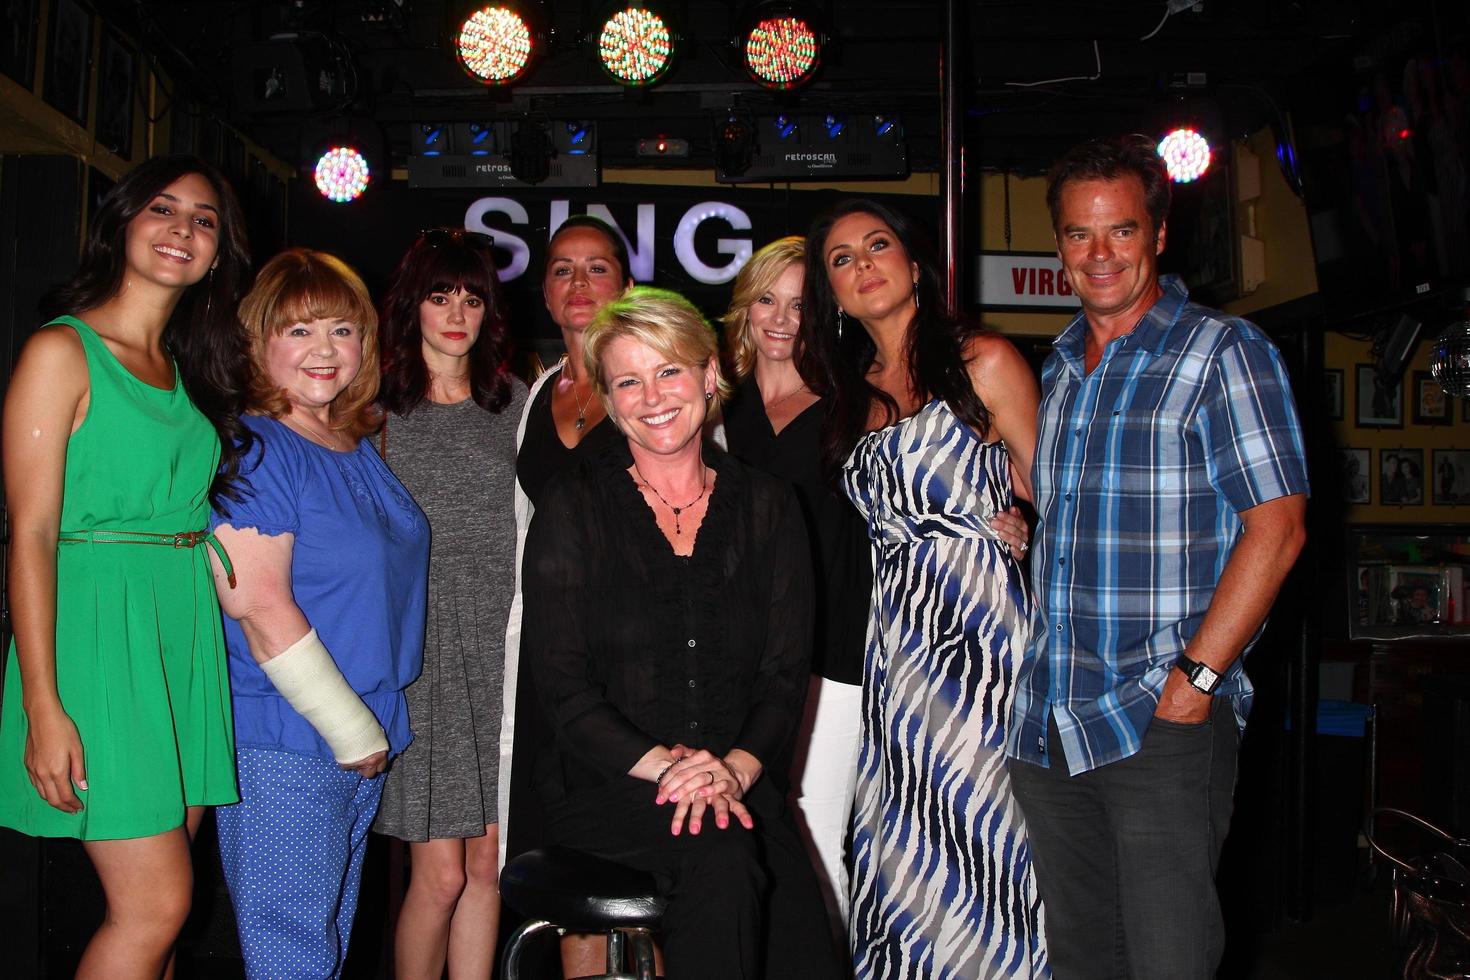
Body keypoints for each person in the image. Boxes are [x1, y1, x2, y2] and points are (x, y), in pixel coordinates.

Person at [1005, 135, 1309, 980]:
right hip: (1050, 722)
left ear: (1158, 235)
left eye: (1121, 232)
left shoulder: (1223, 351)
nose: (1099, 255)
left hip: (1157, 716)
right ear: (1058, 242)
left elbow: (1277, 527)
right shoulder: (1063, 365)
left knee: (1170, 961)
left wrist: (1197, 682)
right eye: (1078, 234)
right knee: (1083, 964)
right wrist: (1021, 522)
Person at [522, 286, 842, 980]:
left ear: (706, 375)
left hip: (740, 783)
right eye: (627, 380)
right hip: (613, 790)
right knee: (723, 856)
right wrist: (675, 771)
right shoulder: (574, 506)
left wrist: (732, 771)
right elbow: (564, 689)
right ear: (607, 398)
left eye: (669, 371)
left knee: (807, 951)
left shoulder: (769, 506)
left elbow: (784, 678)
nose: (651, 396)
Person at [721, 235, 1032, 934]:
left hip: (844, 652)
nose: (781, 317)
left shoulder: (848, 400)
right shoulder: (714, 406)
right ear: (744, 307)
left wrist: (1006, 520)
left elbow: (950, 473)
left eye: (801, 304)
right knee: (751, 841)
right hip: (740, 659)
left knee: (831, 839)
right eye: (767, 298)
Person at [0, 155, 251, 978]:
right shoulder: (62, 353)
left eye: (204, 219)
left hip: (177, 634)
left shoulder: (187, 369)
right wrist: (44, 702)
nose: (183, 229)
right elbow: (32, 535)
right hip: (100, 636)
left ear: (218, 252)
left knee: (163, 920)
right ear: (121, 223)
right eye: (163, 209)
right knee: (154, 906)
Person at [801, 199, 1048, 978]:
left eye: (877, 246)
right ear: (831, 290)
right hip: (897, 640)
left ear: (913, 264)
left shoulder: (985, 360)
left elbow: (1060, 499)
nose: (862, 264)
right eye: (842, 258)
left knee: (983, 828)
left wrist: (1030, 529)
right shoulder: (849, 390)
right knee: (900, 825)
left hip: (984, 635)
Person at [209, 249, 430, 978]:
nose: (325, 350)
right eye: (299, 331)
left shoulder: (347, 438)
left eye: (342, 329)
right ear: (257, 341)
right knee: (290, 954)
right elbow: (255, 602)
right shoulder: (261, 447)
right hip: (292, 740)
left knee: (320, 944)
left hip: (356, 730)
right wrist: (346, 725)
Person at [372, 228, 528, 979]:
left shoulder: (517, 406)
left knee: (488, 871)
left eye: (471, 296)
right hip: (421, 658)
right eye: (440, 295)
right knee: (438, 875)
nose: (457, 311)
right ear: (413, 306)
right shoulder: (373, 413)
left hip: (504, 652)